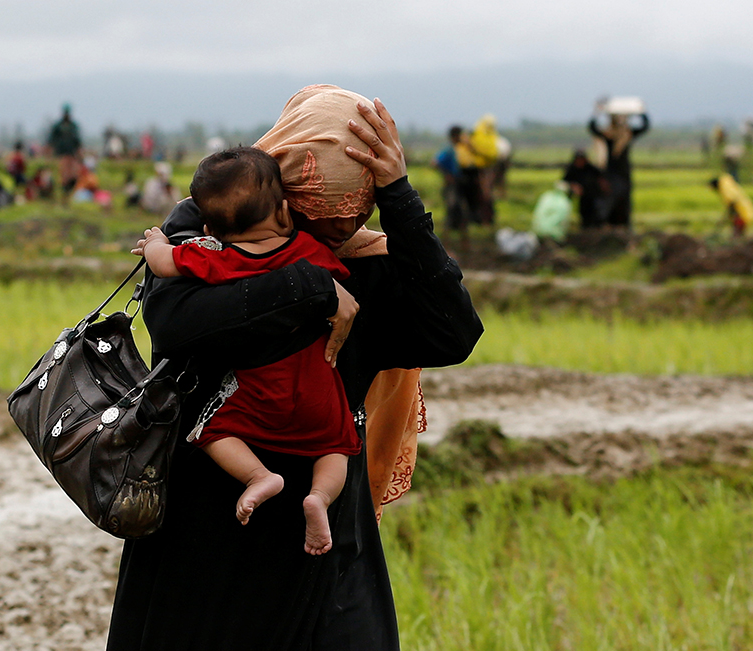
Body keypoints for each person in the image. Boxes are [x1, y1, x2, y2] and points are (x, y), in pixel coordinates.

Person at [106, 85, 484, 650]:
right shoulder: (215, 218)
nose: (339, 227)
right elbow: (173, 321)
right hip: (211, 535)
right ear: (283, 184)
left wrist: (401, 201)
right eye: (323, 210)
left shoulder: (372, 261)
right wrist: (308, 285)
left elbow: (452, 334)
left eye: (359, 207)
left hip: (327, 538)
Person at [134, 146, 362, 556]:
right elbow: (339, 275)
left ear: (209, 226)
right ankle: (319, 498)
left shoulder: (217, 255)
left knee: (212, 433)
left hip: (258, 391)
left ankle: (259, 477)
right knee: (337, 445)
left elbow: (164, 263)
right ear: (284, 211)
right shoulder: (309, 253)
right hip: (318, 386)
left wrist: (156, 240)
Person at [588, 111, 650, 228]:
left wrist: (641, 112)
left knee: (624, 201)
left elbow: (645, 127)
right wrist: (597, 112)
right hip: (612, 174)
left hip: (623, 174)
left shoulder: (627, 134)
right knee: (609, 200)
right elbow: (592, 128)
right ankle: (607, 225)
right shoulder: (609, 135)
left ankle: (624, 226)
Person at [432, 125, 470, 238]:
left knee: (460, 211)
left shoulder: (454, 149)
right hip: (451, 185)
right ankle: (447, 241)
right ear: (457, 136)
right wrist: (447, 175)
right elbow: (435, 163)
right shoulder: (448, 149)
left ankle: (460, 241)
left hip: (456, 184)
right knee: (452, 209)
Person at [562, 149, 609, 229]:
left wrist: (604, 186)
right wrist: (573, 186)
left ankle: (597, 226)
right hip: (581, 196)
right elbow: (564, 182)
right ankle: (585, 227)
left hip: (593, 194)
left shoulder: (590, 168)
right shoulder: (572, 169)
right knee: (584, 213)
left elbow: (600, 177)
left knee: (596, 211)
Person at [47, 103, 82, 197]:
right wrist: (49, 153)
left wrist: (79, 154)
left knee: (73, 174)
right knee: (63, 174)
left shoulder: (73, 126)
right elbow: (51, 140)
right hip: (60, 153)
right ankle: (62, 191)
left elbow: (77, 141)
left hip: (71, 153)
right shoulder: (58, 126)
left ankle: (69, 191)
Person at [710, 173, 753, 237]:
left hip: (741, 212)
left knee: (737, 231)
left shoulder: (725, 189)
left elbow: (732, 203)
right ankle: (739, 243)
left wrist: (727, 216)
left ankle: (737, 244)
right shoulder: (728, 186)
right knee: (739, 232)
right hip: (743, 210)